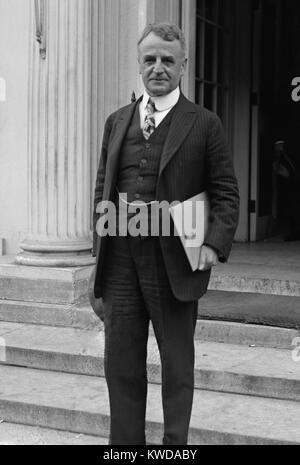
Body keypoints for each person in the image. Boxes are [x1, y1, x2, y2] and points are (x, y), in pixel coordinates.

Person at [90, 23, 239, 445]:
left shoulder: (205, 124)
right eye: (150, 59)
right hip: (119, 262)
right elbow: (101, 188)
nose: (158, 68)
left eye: (167, 60)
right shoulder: (116, 121)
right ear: (139, 65)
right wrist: (97, 254)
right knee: (120, 366)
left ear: (183, 66)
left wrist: (214, 242)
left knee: (177, 368)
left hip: (173, 262)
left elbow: (226, 191)